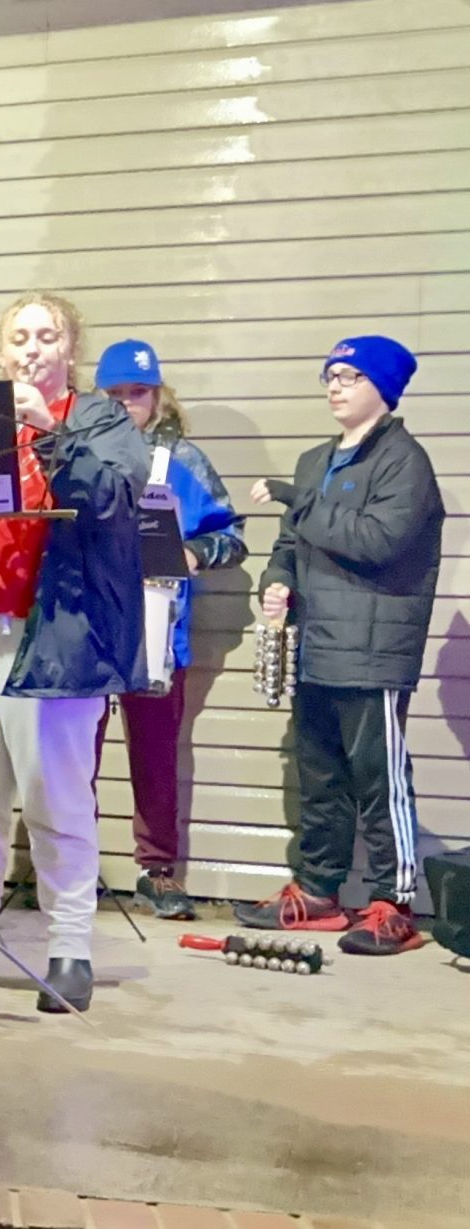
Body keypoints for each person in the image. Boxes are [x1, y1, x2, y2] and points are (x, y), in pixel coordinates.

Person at [0, 292, 149, 1013]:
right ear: (0, 352)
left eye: (47, 335)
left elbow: (112, 498)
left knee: (55, 796)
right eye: (19, 337)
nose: (32, 349)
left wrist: (48, 431)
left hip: (53, 632)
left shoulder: (99, 418)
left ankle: (69, 946)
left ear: (71, 349)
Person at [236, 337, 438, 958]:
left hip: (373, 652)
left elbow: (376, 541)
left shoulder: (404, 462)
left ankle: (394, 904)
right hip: (316, 649)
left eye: (351, 376)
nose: (335, 386)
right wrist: (276, 585)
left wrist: (302, 501)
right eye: (330, 375)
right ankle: (320, 892)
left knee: (380, 780)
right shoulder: (314, 462)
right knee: (320, 778)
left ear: (384, 387)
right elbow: (289, 547)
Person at [89, 340, 245, 921]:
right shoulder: (74, 456)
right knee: (71, 755)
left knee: (155, 755)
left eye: (139, 392)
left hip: (158, 632)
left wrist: (195, 552)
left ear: (158, 396)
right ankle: (65, 864)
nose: (128, 403)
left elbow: (230, 535)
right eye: (116, 394)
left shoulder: (184, 461)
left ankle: (157, 870)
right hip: (86, 629)